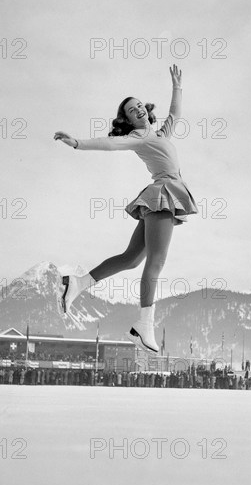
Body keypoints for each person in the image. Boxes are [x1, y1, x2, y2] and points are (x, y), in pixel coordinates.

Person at [54, 65, 198, 354]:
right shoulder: (137, 138)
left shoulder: (160, 135)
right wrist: (77, 143)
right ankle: (144, 326)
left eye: (139, 106)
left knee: (131, 259)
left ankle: (79, 283)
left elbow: (175, 115)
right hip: (163, 195)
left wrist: (177, 86)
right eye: (132, 111)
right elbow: (109, 143)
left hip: (162, 196)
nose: (139, 110)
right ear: (128, 120)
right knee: (155, 262)